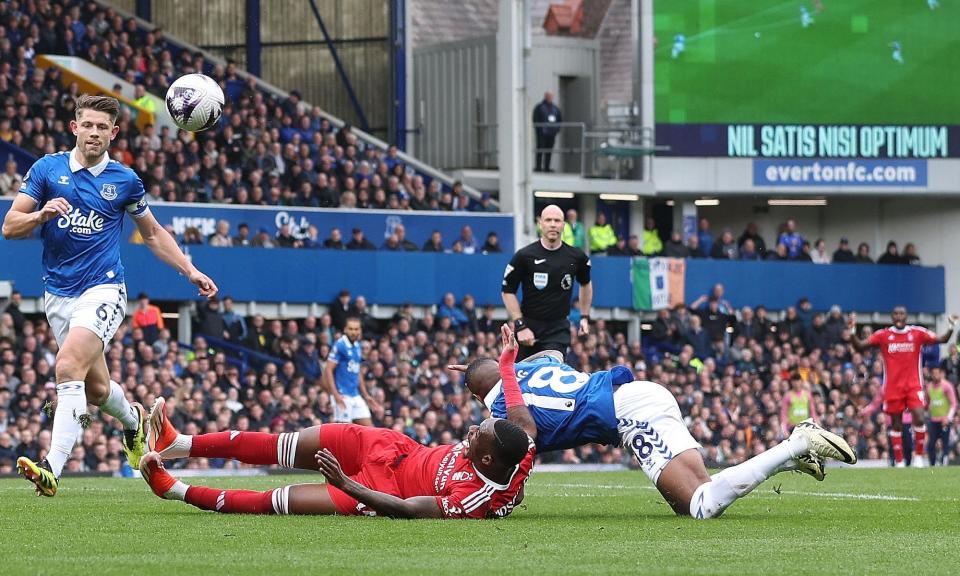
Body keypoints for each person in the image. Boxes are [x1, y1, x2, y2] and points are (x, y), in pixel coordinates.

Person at [2, 94, 218, 496]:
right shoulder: (46, 170)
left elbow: (151, 233)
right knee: (96, 390)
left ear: (113, 133)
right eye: (88, 125)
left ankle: (52, 467)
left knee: (67, 366)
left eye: (103, 127)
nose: (95, 133)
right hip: (58, 295)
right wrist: (40, 215)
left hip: (103, 288)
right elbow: (10, 226)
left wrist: (189, 270)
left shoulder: (124, 180)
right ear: (75, 127)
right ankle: (134, 423)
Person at [140, 325, 537, 519]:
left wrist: (347, 485)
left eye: (479, 434)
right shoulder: (520, 451)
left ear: (486, 461)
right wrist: (505, 367)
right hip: (392, 446)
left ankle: (173, 489)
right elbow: (520, 419)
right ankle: (179, 444)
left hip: (378, 489)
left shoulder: (474, 499)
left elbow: (410, 510)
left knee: (274, 503)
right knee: (281, 444)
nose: (472, 428)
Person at [456, 348, 856, 519]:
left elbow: (520, 451)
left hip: (630, 414)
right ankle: (792, 458)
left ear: (477, 394)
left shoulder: (500, 409)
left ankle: (797, 442)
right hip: (638, 394)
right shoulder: (525, 368)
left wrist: (490, 381)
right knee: (698, 493)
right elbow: (553, 357)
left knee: (700, 505)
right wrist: (503, 364)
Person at [848, 307, 957, 468]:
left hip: (914, 385)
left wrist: (951, 326)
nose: (899, 317)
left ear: (906, 316)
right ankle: (899, 461)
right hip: (893, 387)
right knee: (896, 424)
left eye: (902, 314)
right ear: (892, 317)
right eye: (896, 314)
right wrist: (852, 329)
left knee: (919, 417)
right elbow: (859, 346)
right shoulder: (883, 335)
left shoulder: (917, 333)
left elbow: (942, 339)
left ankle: (919, 456)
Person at [502, 205, 592, 360]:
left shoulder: (576, 257)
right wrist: (520, 324)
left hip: (558, 329)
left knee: (551, 371)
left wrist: (584, 317)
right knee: (523, 380)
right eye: (548, 220)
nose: (552, 224)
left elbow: (586, 284)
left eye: (557, 220)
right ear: (540, 224)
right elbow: (507, 290)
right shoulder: (524, 256)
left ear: (563, 225)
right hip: (528, 326)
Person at [324, 317, 374, 426]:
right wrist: (335, 394)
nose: (354, 332)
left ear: (360, 330)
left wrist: (365, 395)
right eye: (351, 329)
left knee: (370, 430)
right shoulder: (340, 345)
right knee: (343, 433)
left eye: (356, 329)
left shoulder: (357, 346)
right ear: (345, 329)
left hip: (355, 394)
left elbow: (357, 371)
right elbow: (328, 370)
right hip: (342, 394)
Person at [925, 366, 956, 466]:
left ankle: (944, 463)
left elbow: (954, 404)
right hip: (933, 420)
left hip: (944, 420)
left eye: (937, 373)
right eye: (933, 374)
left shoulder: (947, 386)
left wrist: (948, 418)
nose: (935, 375)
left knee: (945, 444)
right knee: (931, 445)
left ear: (941, 374)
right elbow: (928, 403)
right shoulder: (929, 387)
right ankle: (932, 465)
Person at [533, 92, 561, 172]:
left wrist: (557, 129)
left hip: (551, 133)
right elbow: (535, 119)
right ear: (545, 96)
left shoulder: (555, 108)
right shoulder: (539, 107)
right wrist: (539, 129)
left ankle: (547, 167)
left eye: (551, 96)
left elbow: (559, 119)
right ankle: (538, 167)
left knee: (549, 151)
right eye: (548, 96)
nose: (550, 98)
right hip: (542, 133)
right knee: (540, 150)